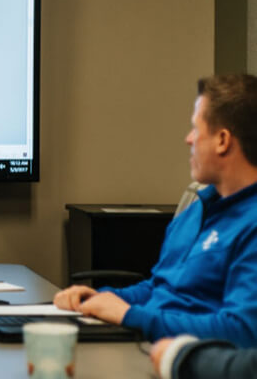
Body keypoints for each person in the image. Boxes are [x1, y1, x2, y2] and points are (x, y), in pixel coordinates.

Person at [54, 74, 257, 346]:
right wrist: (99, 298)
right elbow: (159, 288)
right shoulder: (196, 211)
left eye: (196, 129)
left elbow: (242, 332)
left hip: (188, 361)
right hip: (146, 347)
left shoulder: (251, 223)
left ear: (222, 140)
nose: (188, 139)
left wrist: (130, 316)